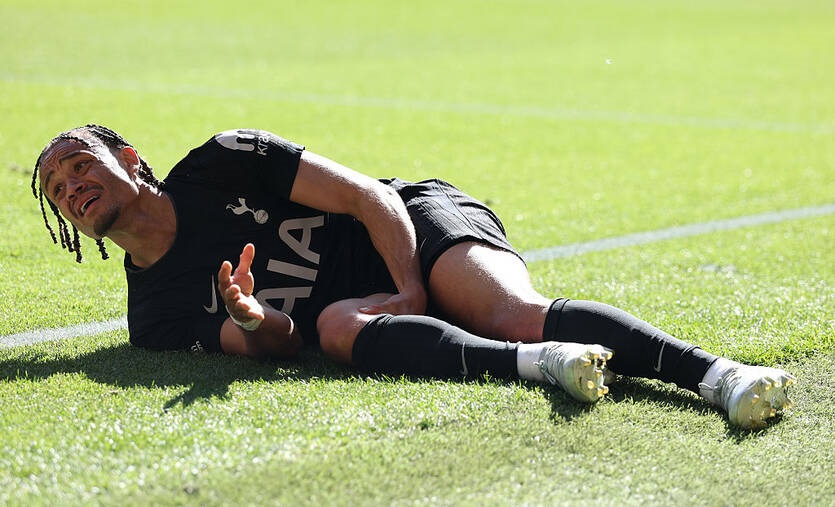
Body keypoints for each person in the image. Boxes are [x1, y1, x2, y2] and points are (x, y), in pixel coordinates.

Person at [32, 124, 795, 429]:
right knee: (332, 328)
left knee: (507, 311)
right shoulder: (153, 316)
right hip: (358, 307)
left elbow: (369, 197)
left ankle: (721, 375)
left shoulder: (221, 161)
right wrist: (250, 317)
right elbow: (281, 344)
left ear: (127, 160)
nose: (71, 186)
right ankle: (547, 364)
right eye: (57, 188)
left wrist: (407, 285)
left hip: (408, 225)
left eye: (79, 164)